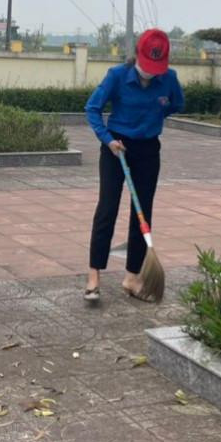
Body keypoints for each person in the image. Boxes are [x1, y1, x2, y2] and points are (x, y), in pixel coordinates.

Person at [83, 28, 185, 303]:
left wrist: (155, 114)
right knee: (107, 208)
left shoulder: (169, 79)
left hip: (148, 150)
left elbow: (178, 103)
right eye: (146, 67)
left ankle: (131, 277)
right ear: (137, 55)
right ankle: (94, 275)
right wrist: (108, 139)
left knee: (142, 214)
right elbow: (92, 108)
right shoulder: (117, 76)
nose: (150, 73)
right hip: (116, 148)